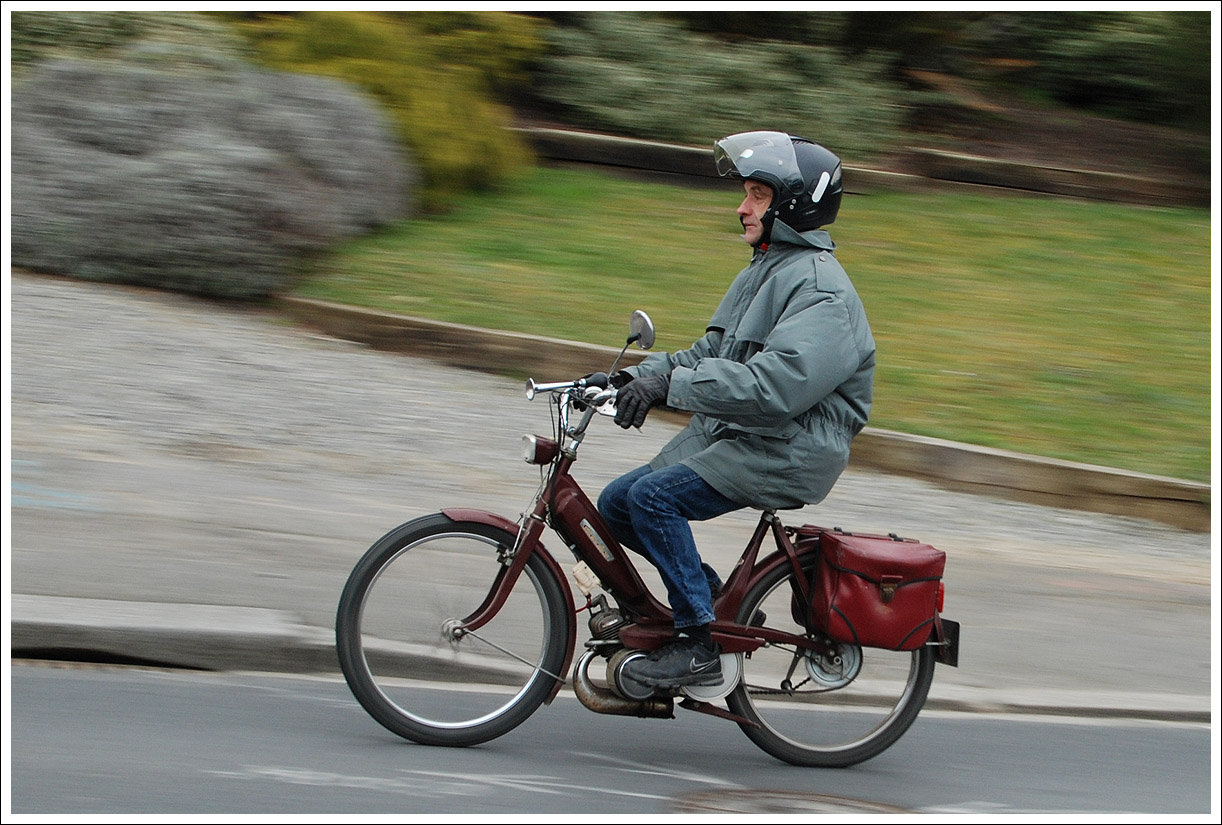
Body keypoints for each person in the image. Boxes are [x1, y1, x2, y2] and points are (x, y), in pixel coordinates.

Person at [597, 130, 876, 690]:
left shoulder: (822, 291)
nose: (742, 207)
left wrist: (670, 389)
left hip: (791, 445)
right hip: (748, 433)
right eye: (746, 193)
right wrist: (631, 377)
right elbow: (710, 354)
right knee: (618, 504)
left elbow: (774, 388)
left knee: (654, 499)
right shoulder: (767, 268)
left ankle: (698, 643)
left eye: (757, 194)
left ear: (793, 205)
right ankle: (712, 604)